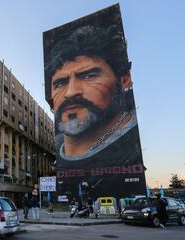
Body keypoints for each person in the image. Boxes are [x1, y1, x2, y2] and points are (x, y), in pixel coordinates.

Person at [43, 5, 146, 200]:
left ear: (124, 80)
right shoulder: (57, 148)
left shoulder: (130, 152)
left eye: (89, 75)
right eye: (60, 82)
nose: (71, 92)